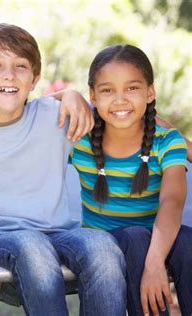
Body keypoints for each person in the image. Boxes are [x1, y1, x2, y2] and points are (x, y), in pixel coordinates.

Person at [0, 23, 126, 316]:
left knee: (101, 245)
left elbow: (129, 121)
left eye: (20, 66)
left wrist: (71, 94)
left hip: (59, 237)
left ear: (35, 79)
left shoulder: (56, 117)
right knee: (30, 244)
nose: (9, 75)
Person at [70, 44, 191, 316]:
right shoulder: (80, 138)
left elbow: (172, 202)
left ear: (150, 92)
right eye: (107, 90)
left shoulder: (167, 142)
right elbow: (22, 110)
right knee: (135, 239)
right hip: (103, 246)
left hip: (158, 240)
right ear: (93, 96)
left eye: (132, 88)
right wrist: (66, 95)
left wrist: (155, 261)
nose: (120, 99)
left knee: (187, 241)